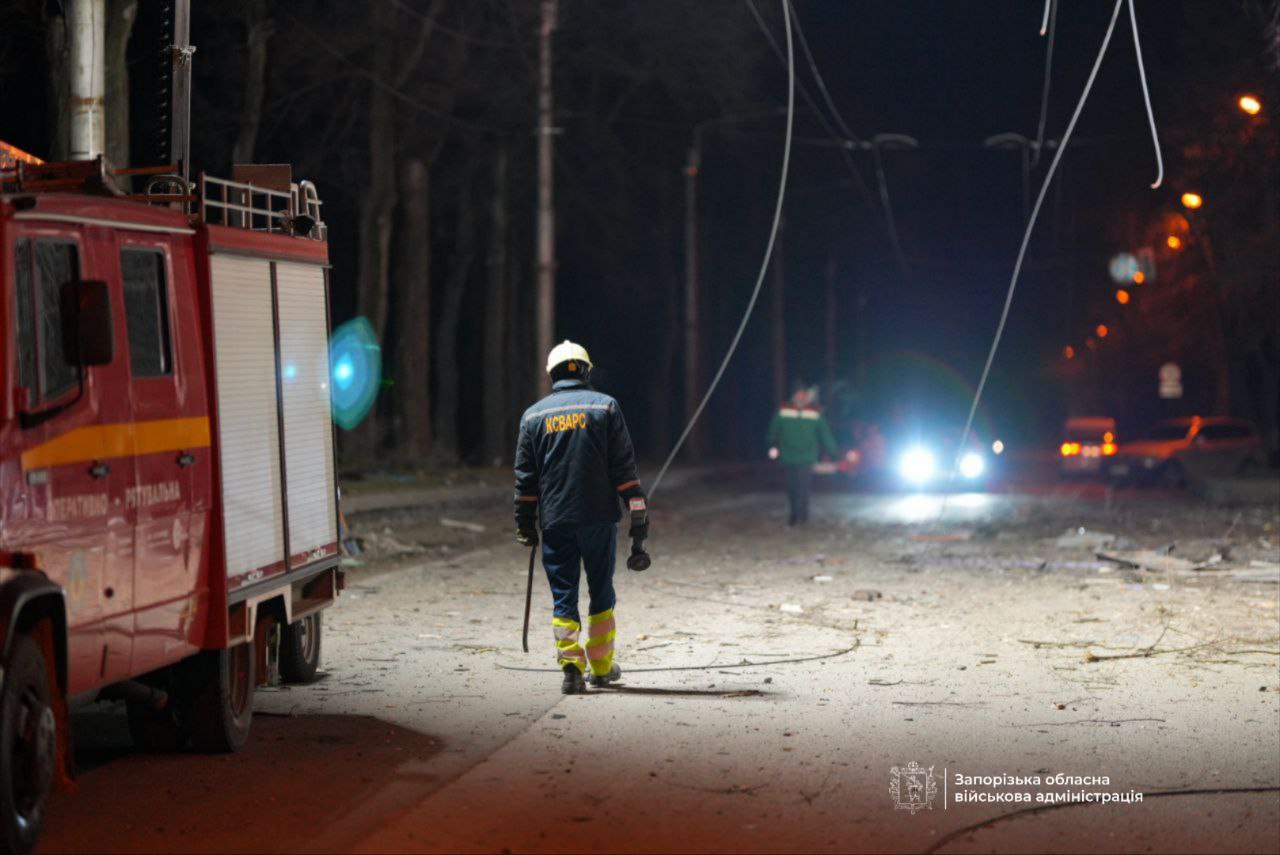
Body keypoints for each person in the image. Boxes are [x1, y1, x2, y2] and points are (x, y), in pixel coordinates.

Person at [514, 340, 649, 694]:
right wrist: (637, 509)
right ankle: (601, 668)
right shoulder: (606, 407)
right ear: (586, 371)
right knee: (601, 590)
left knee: (564, 594)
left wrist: (524, 523)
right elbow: (623, 469)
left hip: (556, 521)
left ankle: (571, 671)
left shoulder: (533, 416)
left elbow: (526, 480)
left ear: (552, 375)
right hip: (599, 518)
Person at [767, 384, 839, 526]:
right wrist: (772, 445)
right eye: (798, 394)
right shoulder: (783, 412)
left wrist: (833, 452)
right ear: (793, 396)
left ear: (806, 397)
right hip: (788, 456)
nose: (800, 397)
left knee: (803, 487)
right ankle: (794, 514)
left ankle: (802, 514)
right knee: (792, 487)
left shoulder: (814, 413)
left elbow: (825, 434)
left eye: (803, 395)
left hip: (807, 456)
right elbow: (773, 431)